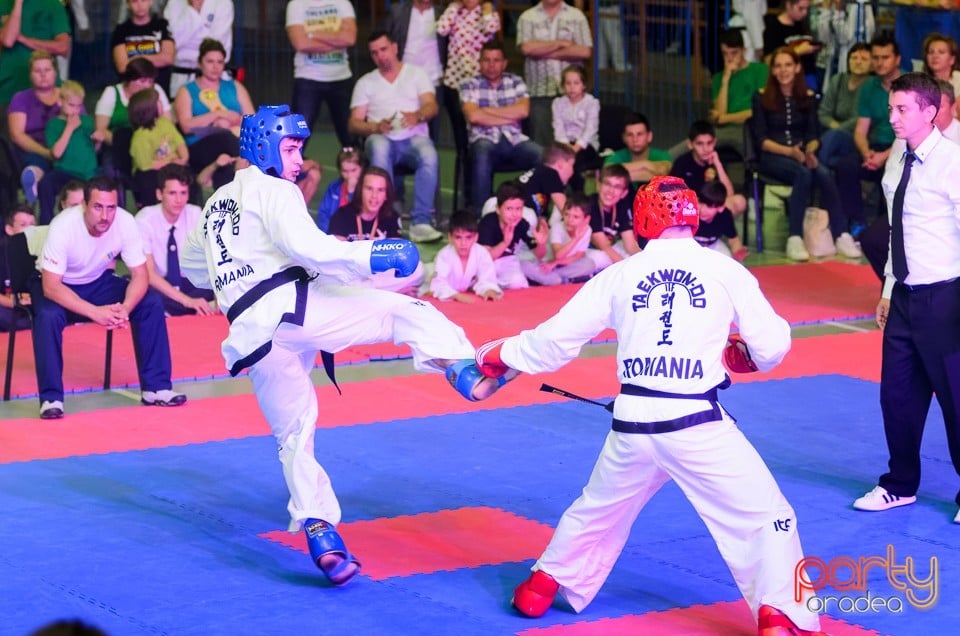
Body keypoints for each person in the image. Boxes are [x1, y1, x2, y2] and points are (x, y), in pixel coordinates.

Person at [473, 175, 824, 636]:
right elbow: (773, 343)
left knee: (599, 507)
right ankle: (781, 613)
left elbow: (553, 342)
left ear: (642, 221)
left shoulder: (620, 273)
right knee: (766, 515)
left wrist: (497, 354)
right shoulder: (724, 269)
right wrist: (748, 358)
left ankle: (541, 584)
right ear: (692, 216)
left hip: (632, 424)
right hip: (695, 422)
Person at [179, 105, 513, 586]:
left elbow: (194, 269)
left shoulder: (215, 206)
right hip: (293, 308)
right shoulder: (275, 190)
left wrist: (236, 269)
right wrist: (372, 253)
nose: (297, 160)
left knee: (294, 433)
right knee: (402, 310)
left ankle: (320, 533)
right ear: (262, 147)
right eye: (291, 148)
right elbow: (313, 251)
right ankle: (465, 371)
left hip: (251, 334)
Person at [852, 73, 960, 525]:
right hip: (903, 297)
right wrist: (888, 287)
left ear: (930, 113)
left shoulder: (953, 162)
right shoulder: (898, 158)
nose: (891, 117)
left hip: (946, 298)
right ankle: (899, 484)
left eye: (902, 110)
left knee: (956, 399)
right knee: (896, 396)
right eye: (891, 108)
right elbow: (898, 230)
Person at [31, 175, 186, 420]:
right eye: (98, 207)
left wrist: (125, 307)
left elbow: (140, 275)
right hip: (59, 284)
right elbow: (50, 287)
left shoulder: (125, 223)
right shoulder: (63, 225)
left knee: (150, 302)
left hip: (96, 280)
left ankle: (156, 387)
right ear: (84, 205)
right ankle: (51, 398)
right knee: (48, 316)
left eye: (111, 207)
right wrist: (96, 312)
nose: (105, 216)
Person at [751, 47, 857, 261]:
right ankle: (794, 237)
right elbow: (761, 140)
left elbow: (813, 135)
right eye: (778, 66)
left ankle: (841, 234)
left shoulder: (808, 97)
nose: (783, 70)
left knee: (823, 172)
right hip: (773, 156)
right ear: (772, 70)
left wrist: (810, 150)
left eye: (788, 65)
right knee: (804, 174)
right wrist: (790, 152)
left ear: (797, 67)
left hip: (800, 155)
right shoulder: (761, 97)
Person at [348, 31, 442, 243]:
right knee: (380, 148)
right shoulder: (366, 82)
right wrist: (376, 126)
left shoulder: (417, 74)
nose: (380, 56)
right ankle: (385, 217)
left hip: (413, 138)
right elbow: (354, 122)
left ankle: (422, 222)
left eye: (383, 49)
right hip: (381, 137)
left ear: (395, 48)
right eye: (374, 53)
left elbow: (431, 106)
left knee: (428, 153)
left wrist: (417, 116)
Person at [461, 40, 543, 210]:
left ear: (504, 63)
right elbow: (474, 116)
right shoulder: (469, 84)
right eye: (486, 60)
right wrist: (509, 115)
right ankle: (482, 214)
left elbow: (523, 112)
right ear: (480, 63)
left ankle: (533, 208)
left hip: (515, 140)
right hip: (483, 139)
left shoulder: (516, 82)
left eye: (496, 60)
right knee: (482, 153)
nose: (492, 65)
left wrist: (487, 111)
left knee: (543, 156)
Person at [436, 0, 500, 205]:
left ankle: (483, 195)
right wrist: (454, 7)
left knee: (480, 143)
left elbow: (492, 27)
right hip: (455, 85)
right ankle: (467, 198)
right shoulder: (455, 11)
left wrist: (487, 9)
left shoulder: (487, 12)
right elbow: (441, 28)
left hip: (478, 88)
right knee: (462, 146)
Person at [327, 166, 424, 295]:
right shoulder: (342, 215)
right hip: (351, 273)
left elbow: (396, 258)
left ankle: (366, 292)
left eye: (380, 190)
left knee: (418, 268)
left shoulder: (391, 217)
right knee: (334, 277)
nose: (374, 196)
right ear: (360, 190)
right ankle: (389, 293)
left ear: (386, 195)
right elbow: (336, 258)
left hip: (377, 276)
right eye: (369, 189)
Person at [135, 164, 216, 316]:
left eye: (183, 193)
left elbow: (213, 259)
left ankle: (180, 310)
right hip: (160, 283)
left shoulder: (195, 213)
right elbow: (149, 274)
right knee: (146, 295)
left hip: (189, 282)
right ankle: (191, 308)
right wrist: (187, 301)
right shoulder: (144, 220)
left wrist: (219, 296)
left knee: (217, 286)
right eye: (172, 193)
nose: (179, 200)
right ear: (159, 194)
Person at [174, 38, 254, 191]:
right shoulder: (187, 90)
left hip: (233, 142)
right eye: (210, 61)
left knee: (226, 167)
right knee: (225, 137)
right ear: (200, 63)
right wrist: (218, 116)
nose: (215, 66)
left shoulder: (234, 86)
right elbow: (186, 126)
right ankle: (247, 164)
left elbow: (252, 120)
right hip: (200, 146)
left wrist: (231, 122)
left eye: (220, 62)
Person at [516, 0, 592, 147]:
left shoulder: (576, 16)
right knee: (541, 148)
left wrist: (542, 51)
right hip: (539, 93)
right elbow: (526, 49)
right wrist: (560, 43)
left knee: (572, 147)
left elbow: (584, 51)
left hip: (573, 96)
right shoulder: (527, 17)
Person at [286, 0, 357, 148]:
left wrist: (311, 33)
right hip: (308, 78)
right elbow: (301, 43)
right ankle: (293, 171)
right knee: (298, 138)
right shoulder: (297, 5)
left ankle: (354, 170)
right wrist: (336, 37)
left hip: (341, 77)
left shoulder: (342, 4)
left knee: (350, 139)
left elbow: (349, 38)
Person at [92, 57, 174, 178]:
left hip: (152, 146)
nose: (147, 86)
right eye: (142, 81)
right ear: (129, 80)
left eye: (150, 82)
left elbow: (168, 124)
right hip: (118, 146)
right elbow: (101, 129)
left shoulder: (156, 91)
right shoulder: (112, 93)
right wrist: (132, 145)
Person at [39, 80, 98, 225]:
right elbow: (56, 154)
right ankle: (46, 224)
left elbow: (93, 150)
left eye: (79, 106)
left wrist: (98, 141)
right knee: (46, 183)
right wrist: (69, 128)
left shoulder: (87, 121)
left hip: (88, 174)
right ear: (60, 102)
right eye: (71, 105)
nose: (75, 110)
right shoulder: (54, 124)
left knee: (108, 182)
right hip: (65, 173)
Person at [7, 51, 61, 205]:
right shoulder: (21, 98)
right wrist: (46, 153)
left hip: (63, 147)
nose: (43, 75)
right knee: (34, 161)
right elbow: (16, 134)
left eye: (47, 70)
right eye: (37, 71)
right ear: (30, 74)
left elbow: (80, 124)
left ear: (55, 72)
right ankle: (34, 178)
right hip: (33, 149)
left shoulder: (67, 95)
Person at [0, 0, 71, 110]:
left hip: (47, 90)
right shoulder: (3, 4)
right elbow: (8, 40)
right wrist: (18, 3)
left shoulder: (53, 5)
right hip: (8, 90)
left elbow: (62, 47)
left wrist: (23, 39)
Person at [708, 28, 768, 155]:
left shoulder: (760, 71)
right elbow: (719, 113)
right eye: (725, 53)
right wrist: (726, 79)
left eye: (734, 53)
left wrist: (724, 118)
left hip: (748, 129)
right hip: (722, 131)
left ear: (744, 51)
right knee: (685, 149)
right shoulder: (719, 78)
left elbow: (757, 112)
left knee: (752, 157)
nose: (730, 58)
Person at [670, 120, 747, 218]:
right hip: (689, 211)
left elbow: (729, 194)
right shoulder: (682, 162)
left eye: (709, 143)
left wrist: (718, 165)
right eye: (700, 144)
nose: (706, 149)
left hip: (711, 211)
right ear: (690, 144)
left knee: (740, 201)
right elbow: (673, 197)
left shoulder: (716, 160)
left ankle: (712, 231)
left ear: (715, 142)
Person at [478, 180, 547, 289]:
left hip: (507, 261)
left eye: (518, 209)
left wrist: (541, 244)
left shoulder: (522, 224)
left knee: (519, 285)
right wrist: (505, 243)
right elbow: (486, 258)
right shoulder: (488, 223)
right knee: (486, 288)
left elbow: (539, 255)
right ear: (498, 209)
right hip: (486, 263)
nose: (514, 214)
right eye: (509, 209)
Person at [129, 87, 190, 207]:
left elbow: (179, 142)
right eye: (159, 102)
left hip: (172, 164)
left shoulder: (165, 122)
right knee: (148, 180)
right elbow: (145, 165)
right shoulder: (141, 136)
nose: (162, 104)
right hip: (152, 171)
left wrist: (184, 158)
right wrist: (170, 163)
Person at [164, 0, 235, 98]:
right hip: (181, 76)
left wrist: (185, 46)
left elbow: (215, 47)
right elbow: (172, 43)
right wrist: (193, 10)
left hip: (214, 76)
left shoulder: (223, 3)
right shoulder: (174, 3)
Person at [523, 193, 596, 286]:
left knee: (589, 264)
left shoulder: (587, 230)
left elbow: (579, 255)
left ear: (586, 219)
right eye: (566, 214)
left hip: (561, 265)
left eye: (576, 217)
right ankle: (561, 280)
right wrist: (575, 239)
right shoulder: (557, 227)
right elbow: (558, 255)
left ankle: (555, 279)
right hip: (545, 263)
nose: (569, 220)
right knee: (527, 266)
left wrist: (556, 263)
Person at [428, 210, 501, 302]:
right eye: (458, 237)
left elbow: (487, 278)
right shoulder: (444, 255)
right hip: (439, 291)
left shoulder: (481, 253)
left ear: (476, 237)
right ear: (450, 238)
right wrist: (457, 296)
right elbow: (438, 284)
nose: (463, 243)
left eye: (468, 237)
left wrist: (488, 290)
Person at [551, 65, 600, 193]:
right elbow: (558, 127)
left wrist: (575, 149)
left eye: (576, 83)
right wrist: (566, 147)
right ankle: (556, 195)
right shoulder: (558, 103)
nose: (572, 87)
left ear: (583, 85)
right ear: (563, 86)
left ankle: (578, 196)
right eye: (568, 83)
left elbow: (590, 129)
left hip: (585, 145)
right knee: (550, 162)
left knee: (574, 163)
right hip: (564, 144)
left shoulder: (592, 103)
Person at [111, 0, 175, 91]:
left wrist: (137, 57)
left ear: (150, 2)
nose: (140, 5)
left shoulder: (162, 25)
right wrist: (156, 58)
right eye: (135, 1)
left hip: (159, 88)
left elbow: (168, 59)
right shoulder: (121, 30)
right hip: (131, 91)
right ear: (128, 4)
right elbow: (122, 67)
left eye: (143, 0)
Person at [587, 163, 642, 270]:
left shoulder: (622, 206)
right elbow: (603, 245)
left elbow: (630, 245)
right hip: (582, 251)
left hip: (606, 248)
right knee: (602, 258)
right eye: (607, 184)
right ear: (598, 185)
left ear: (624, 193)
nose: (610, 191)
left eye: (617, 187)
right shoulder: (591, 204)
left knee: (627, 252)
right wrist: (628, 269)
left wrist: (648, 259)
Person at [762, 0, 821, 91]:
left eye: (807, 9)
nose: (804, 13)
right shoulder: (773, 29)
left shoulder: (803, 25)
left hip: (809, 75)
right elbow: (769, 60)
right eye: (800, 8)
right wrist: (798, 51)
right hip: (787, 80)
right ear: (789, 5)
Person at [602, 112, 671, 187]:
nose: (635, 139)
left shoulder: (662, 155)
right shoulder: (615, 157)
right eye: (630, 135)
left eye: (639, 134)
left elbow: (665, 173)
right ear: (624, 138)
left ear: (649, 136)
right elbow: (607, 173)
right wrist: (645, 164)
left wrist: (620, 176)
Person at [1, 203, 36, 332]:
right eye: (23, 225)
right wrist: (15, 303)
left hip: (32, 307)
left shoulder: (42, 250)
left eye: (32, 225)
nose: (30, 230)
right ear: (9, 230)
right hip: (7, 306)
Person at [694, 180, 748, 260]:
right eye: (700, 203)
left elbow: (734, 240)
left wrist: (737, 252)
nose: (702, 209)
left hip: (712, 246)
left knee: (727, 259)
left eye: (709, 207)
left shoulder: (724, 216)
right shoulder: (689, 211)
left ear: (720, 208)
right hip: (690, 246)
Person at [316, 146, 363, 233]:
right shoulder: (333, 187)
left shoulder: (366, 189)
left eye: (353, 170)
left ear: (362, 168)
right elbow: (323, 213)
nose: (349, 175)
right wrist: (329, 235)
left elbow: (361, 216)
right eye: (345, 171)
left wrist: (352, 192)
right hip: (334, 234)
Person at [921, 32, 960, 99]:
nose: (935, 56)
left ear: (952, 59)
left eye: (941, 52)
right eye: (931, 52)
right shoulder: (921, 83)